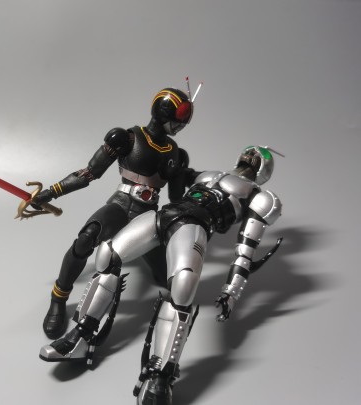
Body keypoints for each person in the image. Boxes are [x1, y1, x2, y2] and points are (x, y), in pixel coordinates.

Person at [39, 146, 282, 405]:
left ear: (264, 169)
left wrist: (231, 291)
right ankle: (81, 335)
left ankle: (160, 375)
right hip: (163, 215)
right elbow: (175, 173)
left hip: (195, 225)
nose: (251, 157)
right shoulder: (208, 174)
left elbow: (246, 249)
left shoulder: (261, 197)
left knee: (183, 288)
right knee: (107, 255)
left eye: (258, 157)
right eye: (250, 152)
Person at [33, 87, 198, 339]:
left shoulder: (177, 154)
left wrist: (192, 183)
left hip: (147, 219)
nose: (181, 126)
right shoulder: (127, 138)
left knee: (168, 275)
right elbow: (88, 173)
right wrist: (51, 192)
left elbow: (176, 199)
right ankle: (59, 297)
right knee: (86, 238)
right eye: (178, 120)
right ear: (162, 113)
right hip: (120, 206)